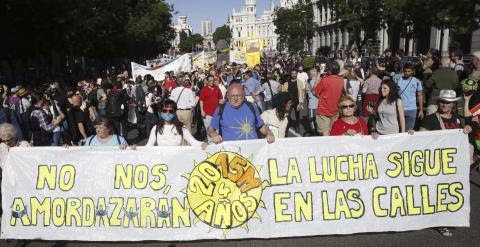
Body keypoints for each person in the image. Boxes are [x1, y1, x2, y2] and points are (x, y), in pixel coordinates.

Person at [419, 89, 472, 238]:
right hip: (437, 162)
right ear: (438, 102)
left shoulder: (457, 119)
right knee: (439, 192)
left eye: (448, 102)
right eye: (442, 101)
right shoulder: (430, 119)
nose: (444, 104)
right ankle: (441, 222)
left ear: (453, 105)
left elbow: (471, 123)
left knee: (453, 191)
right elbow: (420, 140)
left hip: (455, 163)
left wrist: (469, 128)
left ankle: (451, 217)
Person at [207, 83, 275, 143]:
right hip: (231, 152)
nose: (235, 98)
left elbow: (261, 126)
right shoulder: (220, 109)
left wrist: (269, 133)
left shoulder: (251, 106)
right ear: (227, 96)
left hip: (253, 151)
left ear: (243, 96)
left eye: (238, 95)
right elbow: (210, 130)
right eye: (233, 96)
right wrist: (214, 135)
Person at [314, 61, 344, 136]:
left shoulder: (325, 80)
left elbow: (314, 92)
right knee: (332, 133)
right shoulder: (341, 80)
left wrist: (318, 74)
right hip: (335, 111)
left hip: (324, 111)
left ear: (329, 70)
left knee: (325, 135)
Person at [396, 63, 424, 131]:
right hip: (399, 108)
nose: (406, 73)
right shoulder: (398, 80)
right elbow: (395, 94)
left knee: (408, 131)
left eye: (409, 71)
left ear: (412, 71)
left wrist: (421, 109)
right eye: (405, 71)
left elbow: (420, 95)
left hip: (412, 109)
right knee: (398, 130)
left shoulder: (417, 81)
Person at [306, 68, 320, 135]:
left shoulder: (309, 82)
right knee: (318, 119)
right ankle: (317, 131)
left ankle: (314, 133)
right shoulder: (318, 82)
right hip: (319, 103)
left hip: (312, 104)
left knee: (312, 119)